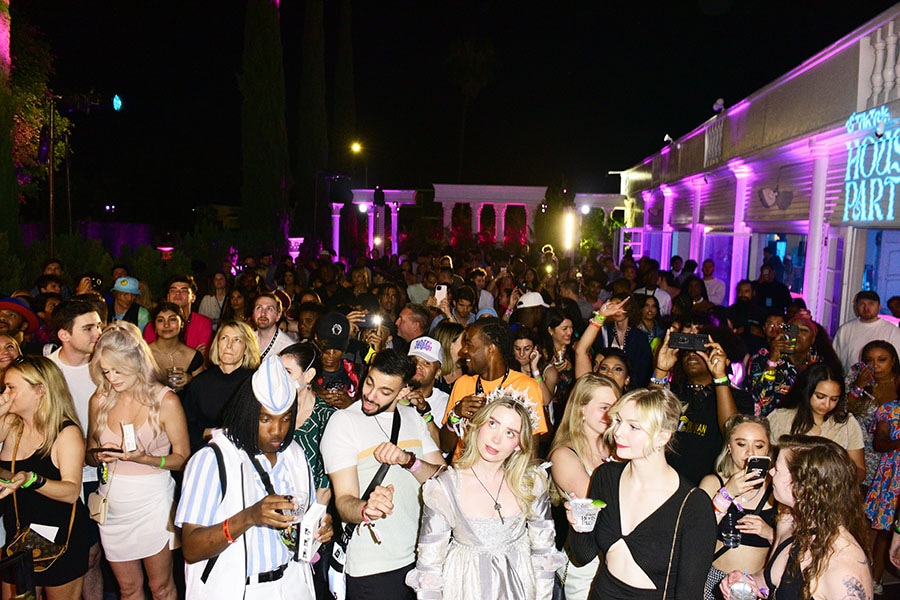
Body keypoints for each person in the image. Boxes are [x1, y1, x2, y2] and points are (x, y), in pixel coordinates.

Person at [177, 356, 334, 599]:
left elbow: (309, 514)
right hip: (241, 589)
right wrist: (249, 517)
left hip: (294, 583)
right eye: (265, 419)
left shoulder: (294, 454)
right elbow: (191, 548)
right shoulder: (212, 459)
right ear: (248, 414)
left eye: (285, 418)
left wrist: (320, 527)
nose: (277, 430)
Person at [405, 396, 565, 599]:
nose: (496, 439)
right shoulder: (445, 488)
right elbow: (429, 570)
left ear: (518, 444)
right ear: (478, 424)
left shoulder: (531, 482)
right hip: (467, 588)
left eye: (509, 433)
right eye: (492, 424)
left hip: (521, 588)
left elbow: (544, 551)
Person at [567, 387, 716, 599]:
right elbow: (583, 555)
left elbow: (689, 593)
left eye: (633, 427)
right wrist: (579, 523)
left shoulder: (692, 505)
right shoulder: (606, 476)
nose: (618, 432)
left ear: (662, 437)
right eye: (618, 421)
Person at [320, 350, 446, 599]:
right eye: (369, 382)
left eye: (385, 392)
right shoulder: (343, 422)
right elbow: (344, 502)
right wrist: (366, 509)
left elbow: (443, 479)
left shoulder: (413, 418)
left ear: (403, 392)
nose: (370, 395)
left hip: (424, 559)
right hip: (373, 568)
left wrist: (409, 461)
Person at [86, 322, 190, 600]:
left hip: (153, 503)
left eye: (118, 370)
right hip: (112, 505)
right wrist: (99, 455)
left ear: (137, 361)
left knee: (161, 588)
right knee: (128, 589)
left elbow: (183, 459)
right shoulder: (100, 399)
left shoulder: (165, 400)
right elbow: (89, 454)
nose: (111, 378)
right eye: (106, 371)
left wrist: (146, 458)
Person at [720, 436, 873, 600]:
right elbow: (771, 580)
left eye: (777, 469)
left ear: (801, 487)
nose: (771, 472)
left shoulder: (844, 564)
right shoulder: (787, 519)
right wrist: (747, 581)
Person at [0, 357, 92, 599]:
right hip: (18, 535)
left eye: (12, 388)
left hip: (61, 537)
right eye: (4, 387)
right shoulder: (12, 424)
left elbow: (71, 491)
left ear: (39, 390)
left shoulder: (66, 432)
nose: (6, 394)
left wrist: (30, 479)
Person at [47, 300, 106, 600]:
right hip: (58, 477)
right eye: (88, 328)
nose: (98, 332)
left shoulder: (106, 368)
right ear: (64, 335)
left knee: (93, 556)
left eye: (98, 325)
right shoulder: (46, 372)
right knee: (59, 557)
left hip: (98, 474)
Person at [549, 375, 622, 600]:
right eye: (604, 407)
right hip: (585, 571)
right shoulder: (564, 455)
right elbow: (596, 506)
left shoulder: (619, 450)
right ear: (581, 409)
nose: (611, 415)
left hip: (620, 562)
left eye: (615, 408)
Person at [440, 318, 548, 458]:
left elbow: (530, 452)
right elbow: (445, 446)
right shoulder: (463, 383)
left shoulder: (526, 387)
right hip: (464, 473)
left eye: (469, 345)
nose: (464, 351)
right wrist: (455, 414)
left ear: (490, 349)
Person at [698, 415, 776, 600]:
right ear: (729, 446)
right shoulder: (712, 483)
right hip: (716, 579)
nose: (750, 453)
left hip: (757, 584)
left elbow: (796, 544)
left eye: (758, 446)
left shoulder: (776, 489)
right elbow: (697, 534)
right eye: (741, 444)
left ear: (768, 450)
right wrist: (727, 494)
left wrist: (769, 533)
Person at [651, 329, 741, 485]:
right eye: (686, 351)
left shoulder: (734, 397)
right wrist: (661, 370)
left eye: (700, 348)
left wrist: (720, 377)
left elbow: (732, 430)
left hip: (709, 486)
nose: (691, 354)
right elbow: (644, 416)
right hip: (663, 482)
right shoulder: (672, 392)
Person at [768, 362, 865, 481]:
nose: (827, 404)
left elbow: (860, 470)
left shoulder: (847, 423)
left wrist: (838, 477)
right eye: (820, 397)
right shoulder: (780, 418)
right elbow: (766, 459)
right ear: (806, 391)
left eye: (834, 399)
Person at [182, 320, 260, 452]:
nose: (229, 345)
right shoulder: (199, 384)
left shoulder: (256, 383)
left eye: (237, 340)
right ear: (217, 344)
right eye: (224, 338)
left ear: (246, 348)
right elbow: (186, 429)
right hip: (206, 453)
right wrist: (214, 433)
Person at [279, 342, 335, 504]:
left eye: (287, 372)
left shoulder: (327, 417)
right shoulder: (271, 410)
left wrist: (309, 522)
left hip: (309, 507)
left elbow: (325, 487)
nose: (280, 378)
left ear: (309, 375)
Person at [846, 340, 900, 487]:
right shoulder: (856, 381)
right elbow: (842, 412)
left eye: (882, 360)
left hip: (892, 453)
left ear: (893, 361)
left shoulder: (898, 383)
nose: (875, 365)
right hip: (862, 452)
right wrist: (858, 387)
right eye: (869, 361)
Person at [863, 383, 900, 594]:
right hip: (892, 475)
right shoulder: (890, 409)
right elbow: (879, 442)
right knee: (882, 529)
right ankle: (871, 580)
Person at [143, 275, 213, 361]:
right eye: (173, 290)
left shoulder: (204, 323)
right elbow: (150, 357)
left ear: (193, 298)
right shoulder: (154, 325)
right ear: (168, 297)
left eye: (183, 290)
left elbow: (202, 357)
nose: (178, 293)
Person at [833, 290, 900, 375]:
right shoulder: (845, 330)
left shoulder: (893, 331)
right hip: (851, 385)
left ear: (879, 307)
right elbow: (835, 361)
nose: (866, 308)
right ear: (856, 306)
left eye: (871, 304)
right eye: (862, 304)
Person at [147, 302, 205, 390]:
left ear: (182, 324)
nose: (166, 325)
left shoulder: (193, 356)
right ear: (155, 326)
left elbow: (202, 391)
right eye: (160, 320)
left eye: (172, 319)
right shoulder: (143, 354)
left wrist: (191, 380)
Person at [253, 293, 294, 361]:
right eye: (259, 308)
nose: (263, 313)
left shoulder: (288, 347)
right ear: (253, 313)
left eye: (269, 309)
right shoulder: (245, 340)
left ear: (278, 316)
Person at [431, 321, 464, 394]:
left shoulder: (467, 369)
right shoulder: (432, 372)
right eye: (463, 341)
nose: (467, 346)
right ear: (450, 345)